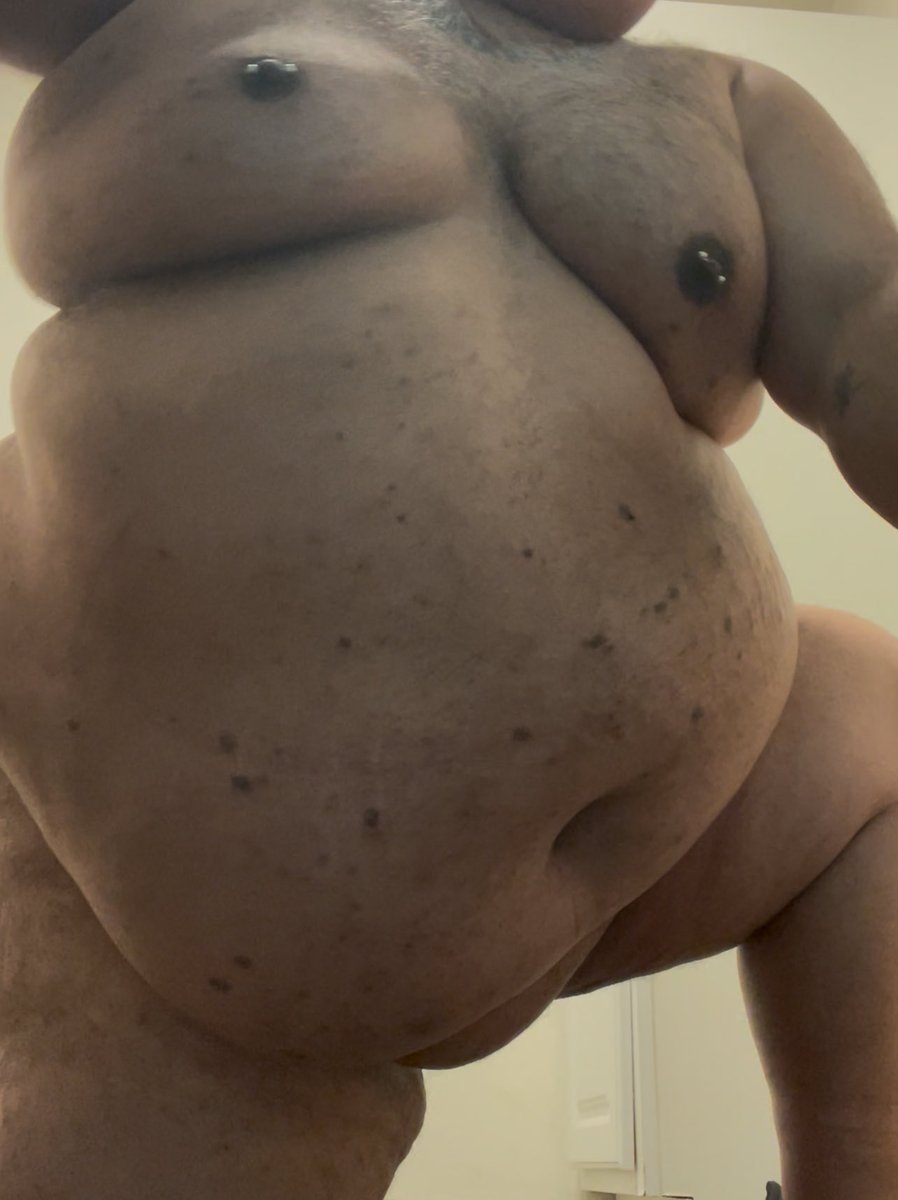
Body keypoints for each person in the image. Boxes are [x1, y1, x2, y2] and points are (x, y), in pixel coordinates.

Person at [0, 1, 895, 1196]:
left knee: (875, 723)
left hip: (688, 817)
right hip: (194, 919)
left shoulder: (722, 104)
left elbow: (868, 324)